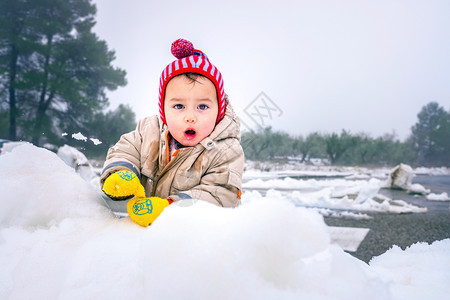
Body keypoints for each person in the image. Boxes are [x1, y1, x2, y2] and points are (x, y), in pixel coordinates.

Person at [100, 39, 244, 226]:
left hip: (191, 238)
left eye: (202, 106)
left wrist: (168, 208)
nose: (190, 116)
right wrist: (121, 173)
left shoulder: (226, 151)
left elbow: (221, 194)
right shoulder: (147, 131)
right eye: (179, 106)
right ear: (164, 110)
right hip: (140, 235)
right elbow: (125, 150)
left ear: (219, 110)